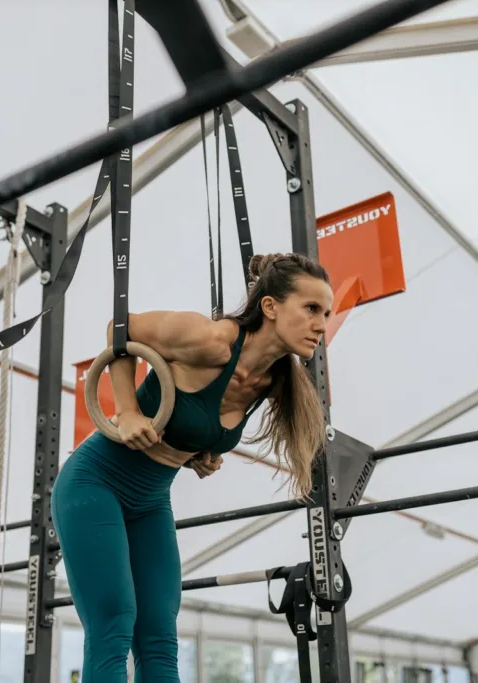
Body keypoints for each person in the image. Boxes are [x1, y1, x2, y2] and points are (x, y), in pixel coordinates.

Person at [51, 252, 333, 681]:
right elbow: (120, 328)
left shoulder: (274, 381)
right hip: (95, 484)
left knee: (160, 636)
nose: (321, 324)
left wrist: (197, 451)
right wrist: (126, 411)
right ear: (271, 307)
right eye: (311, 309)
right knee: (115, 623)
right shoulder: (212, 340)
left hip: (150, 500)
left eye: (326, 313)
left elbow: (194, 417)